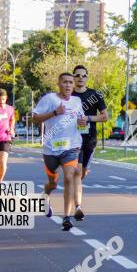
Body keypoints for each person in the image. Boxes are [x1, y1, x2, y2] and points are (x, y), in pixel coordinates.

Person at [31, 73, 85, 231]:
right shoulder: (49, 99)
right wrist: (54, 113)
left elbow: (80, 121)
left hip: (71, 146)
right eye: (65, 82)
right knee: (53, 183)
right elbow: (35, 118)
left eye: (70, 82)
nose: (68, 85)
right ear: (58, 84)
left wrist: (83, 122)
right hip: (51, 149)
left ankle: (67, 217)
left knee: (69, 178)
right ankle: (45, 195)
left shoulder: (77, 101)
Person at [70, 64, 109, 221]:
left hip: (90, 139)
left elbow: (105, 116)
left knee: (83, 172)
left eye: (83, 75)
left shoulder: (95, 95)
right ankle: (78, 207)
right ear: (73, 77)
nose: (80, 78)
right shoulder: (69, 95)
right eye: (77, 75)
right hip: (73, 139)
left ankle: (76, 185)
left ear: (87, 77)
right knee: (78, 172)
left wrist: (88, 118)